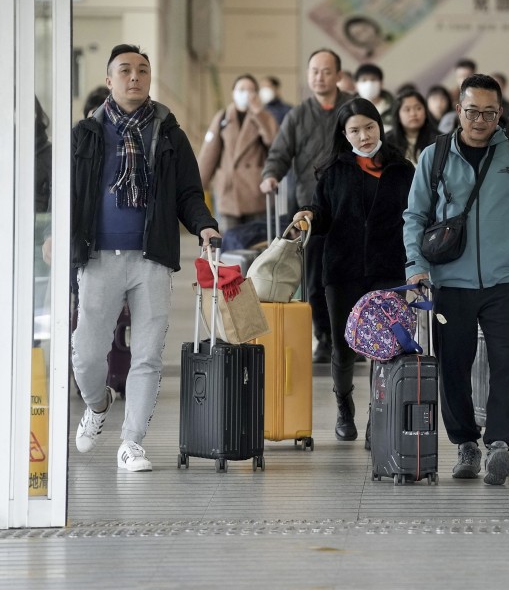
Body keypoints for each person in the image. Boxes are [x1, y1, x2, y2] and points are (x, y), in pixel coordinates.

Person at [71, 43, 220, 472]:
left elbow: (189, 193)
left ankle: (132, 442)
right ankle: (98, 404)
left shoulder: (170, 134)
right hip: (98, 257)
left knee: (148, 355)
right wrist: (54, 236)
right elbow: (70, 192)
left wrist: (204, 225)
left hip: (151, 257)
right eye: (125, 70)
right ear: (109, 80)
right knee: (85, 354)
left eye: (142, 70)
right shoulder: (87, 134)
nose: (134, 77)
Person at [403, 74, 509, 486]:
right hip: (450, 281)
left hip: (506, 281)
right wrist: (416, 267)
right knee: (454, 367)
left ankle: (499, 445)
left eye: (489, 113)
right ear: (458, 110)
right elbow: (415, 216)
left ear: (500, 113)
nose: (480, 120)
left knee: (507, 363)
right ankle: (466, 443)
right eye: (472, 111)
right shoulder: (434, 156)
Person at [292, 98, 414, 441]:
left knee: (385, 347)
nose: (364, 136)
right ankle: (344, 407)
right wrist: (309, 214)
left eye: (369, 127)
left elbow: (416, 216)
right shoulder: (334, 171)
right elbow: (323, 214)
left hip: (388, 269)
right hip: (342, 270)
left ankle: (379, 416)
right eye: (355, 130)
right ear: (344, 135)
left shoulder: (402, 170)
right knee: (344, 347)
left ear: (380, 126)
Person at [261, 48, 355, 365]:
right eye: (314, 71)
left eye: (326, 71)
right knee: (315, 278)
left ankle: (353, 338)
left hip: (351, 207)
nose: (320, 77)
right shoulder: (298, 115)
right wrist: (270, 176)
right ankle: (324, 338)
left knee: (350, 277)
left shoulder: (352, 109)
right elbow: (279, 153)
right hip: (310, 211)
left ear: (338, 75)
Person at [198, 74, 278, 231]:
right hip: (228, 191)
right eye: (241, 89)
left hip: (256, 192)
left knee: (256, 242)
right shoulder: (223, 117)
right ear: (233, 92)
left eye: (250, 90)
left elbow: (275, 143)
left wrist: (259, 114)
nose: (246, 93)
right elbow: (209, 154)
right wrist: (197, 187)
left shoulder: (264, 117)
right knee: (229, 240)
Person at [384, 88, 439, 164]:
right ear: (398, 115)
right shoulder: (387, 142)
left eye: (418, 108)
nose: (413, 114)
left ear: (426, 112)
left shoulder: (438, 139)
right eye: (407, 109)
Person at [353, 63, 394, 129]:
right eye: (364, 80)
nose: (369, 84)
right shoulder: (349, 108)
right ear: (356, 85)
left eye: (373, 79)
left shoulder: (394, 106)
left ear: (381, 83)